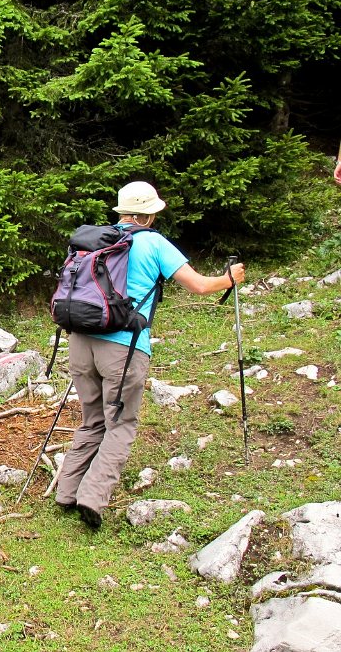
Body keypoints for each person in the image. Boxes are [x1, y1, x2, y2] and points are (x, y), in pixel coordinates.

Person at [54, 181, 245, 530]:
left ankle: (66, 491)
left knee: (92, 419)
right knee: (121, 424)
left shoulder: (97, 240)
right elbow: (200, 285)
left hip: (81, 342)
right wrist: (229, 278)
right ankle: (92, 498)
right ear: (149, 214)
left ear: (122, 211)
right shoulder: (153, 242)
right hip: (124, 348)